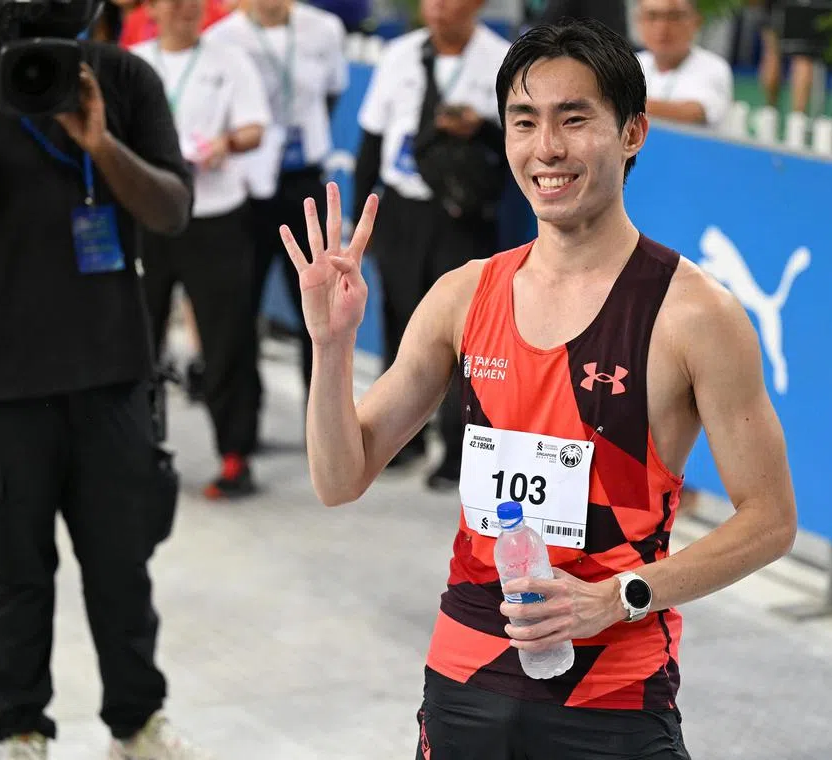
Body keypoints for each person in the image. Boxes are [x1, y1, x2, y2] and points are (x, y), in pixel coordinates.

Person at [281, 19, 798, 759]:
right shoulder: (465, 296)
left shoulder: (695, 315)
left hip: (616, 696)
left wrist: (620, 596)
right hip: (465, 680)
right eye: (524, 122)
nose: (545, 149)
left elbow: (771, 519)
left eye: (574, 118)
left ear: (633, 133)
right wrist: (330, 349)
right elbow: (339, 478)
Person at [0, 3, 211, 758]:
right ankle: (20, 730)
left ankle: (136, 723)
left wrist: (99, 142)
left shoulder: (121, 79)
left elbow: (170, 210)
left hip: (107, 373)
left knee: (121, 568)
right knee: (9, 577)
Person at [351, 0, 509, 490]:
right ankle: (403, 438)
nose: (438, 8)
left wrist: (478, 127)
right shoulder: (399, 54)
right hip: (402, 207)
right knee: (399, 319)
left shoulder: (503, 60)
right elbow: (371, 141)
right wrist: (363, 221)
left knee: (465, 337)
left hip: (461, 215)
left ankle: (457, 451)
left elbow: (517, 139)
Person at [132, 0, 271, 499]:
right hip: (148, 218)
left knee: (225, 339)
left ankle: (235, 456)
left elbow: (255, 127)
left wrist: (226, 145)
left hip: (214, 217)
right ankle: (137, 453)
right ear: (153, 9)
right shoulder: (136, 62)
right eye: (174, 2)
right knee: (137, 339)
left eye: (193, 1)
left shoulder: (228, 60)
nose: (185, 9)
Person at [206, 0, 348, 416]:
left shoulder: (325, 29)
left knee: (318, 310)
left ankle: (322, 424)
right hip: (246, 186)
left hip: (304, 182)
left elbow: (332, 93)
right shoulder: (222, 38)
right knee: (237, 314)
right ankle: (240, 438)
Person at [635, 0, 733, 129]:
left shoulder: (714, 67)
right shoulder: (633, 62)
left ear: (696, 21)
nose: (662, 26)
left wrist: (623, 103)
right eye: (652, 16)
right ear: (638, 22)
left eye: (674, 16)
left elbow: (695, 113)